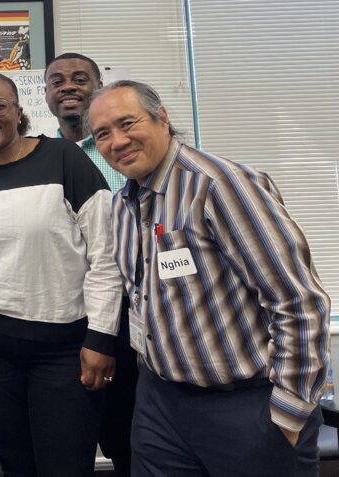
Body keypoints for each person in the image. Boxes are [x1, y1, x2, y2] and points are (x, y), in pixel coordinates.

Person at [85, 80, 329, 477]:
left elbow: (299, 301)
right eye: (103, 134)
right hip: (160, 405)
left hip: (246, 405)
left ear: (161, 117)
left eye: (128, 123)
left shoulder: (221, 186)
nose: (117, 141)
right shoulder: (122, 206)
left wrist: (289, 412)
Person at [0, 71, 121, 477]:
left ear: (18, 112)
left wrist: (102, 336)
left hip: (65, 347)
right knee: (15, 463)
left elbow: (105, 255)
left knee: (66, 465)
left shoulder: (65, 159)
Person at [44, 52, 136, 475]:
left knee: (131, 439)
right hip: (68, 320)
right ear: (45, 94)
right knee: (71, 439)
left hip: (133, 314)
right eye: (57, 81)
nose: (68, 87)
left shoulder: (125, 150)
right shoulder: (39, 159)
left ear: (98, 85)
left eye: (80, 79)